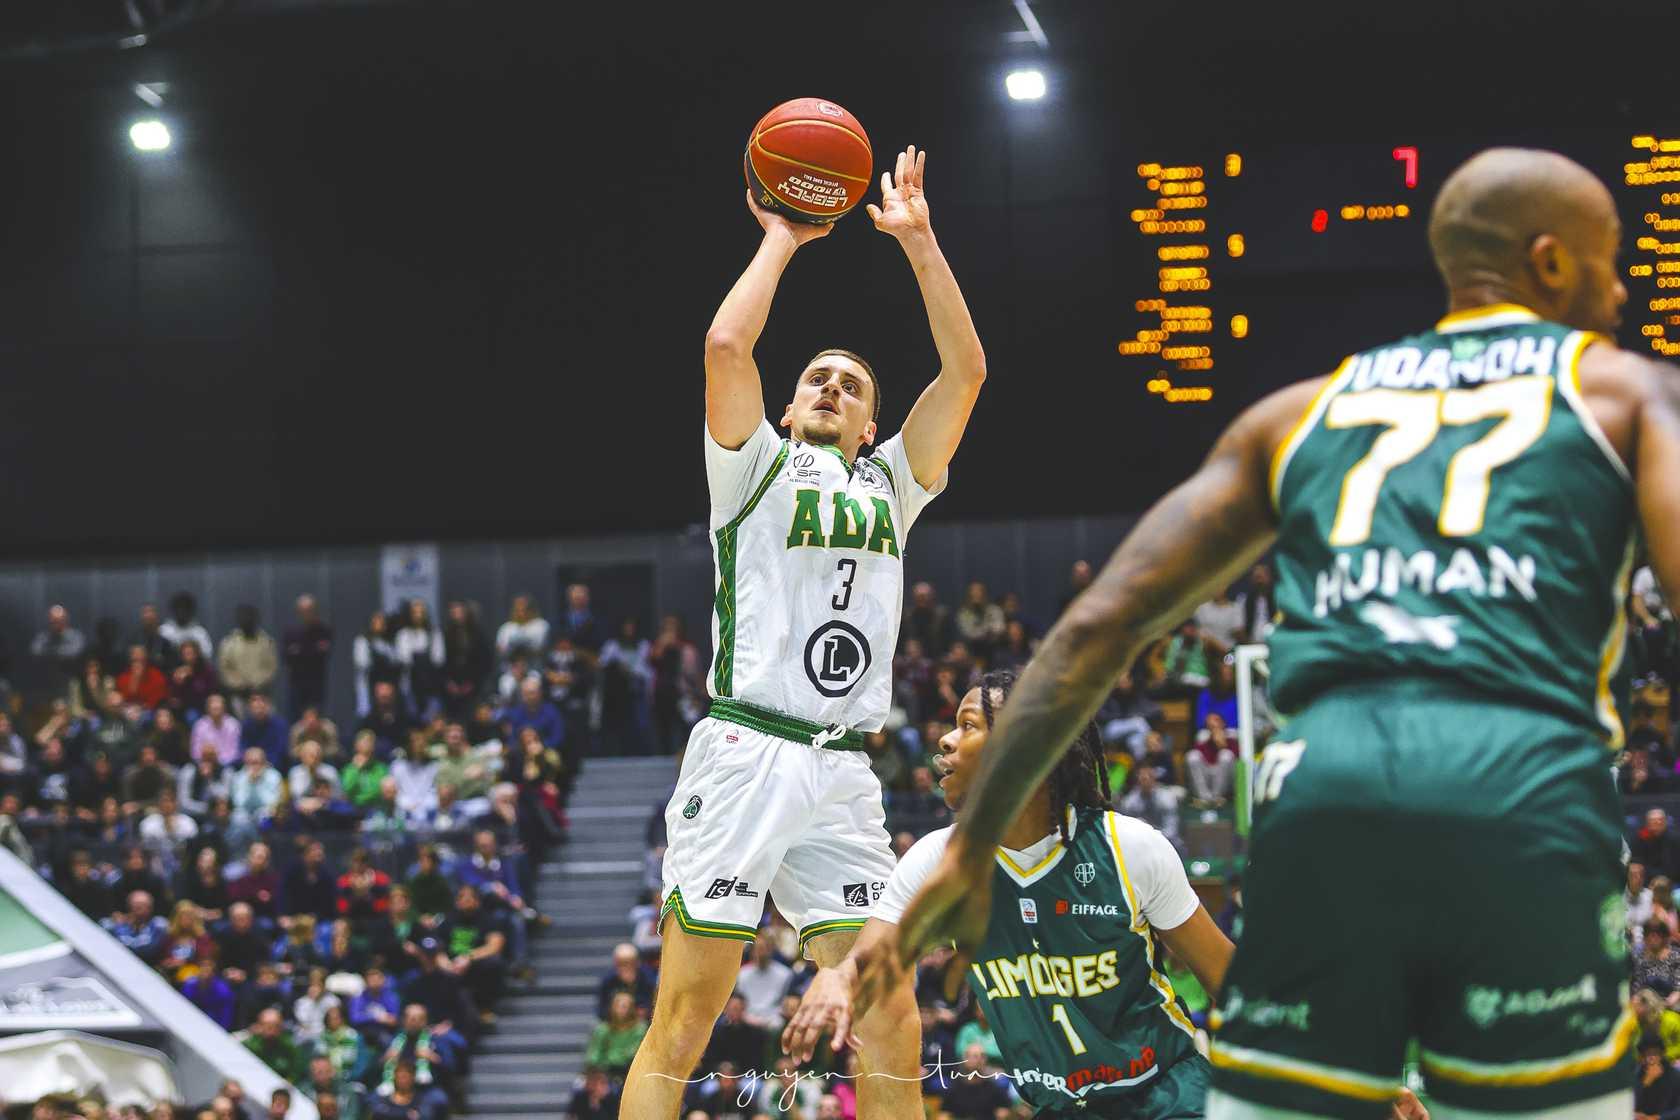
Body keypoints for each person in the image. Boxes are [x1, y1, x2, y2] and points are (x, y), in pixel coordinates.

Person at [883, 148, 1677, 1120]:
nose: (1626, 285)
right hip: (1518, 800)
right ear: (1551, 263)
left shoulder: (1300, 412)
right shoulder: (1626, 391)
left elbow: (1098, 626)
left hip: (1324, 813)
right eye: (1613, 261)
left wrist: (970, 847)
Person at [623, 143, 987, 1119]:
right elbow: (724, 350)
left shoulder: (893, 485)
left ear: (872, 425)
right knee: (687, 1019)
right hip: (746, 749)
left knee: (889, 1003)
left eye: (852, 385)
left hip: (839, 768)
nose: (831, 386)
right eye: (817, 379)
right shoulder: (753, 472)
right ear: (787, 407)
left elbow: (967, 370)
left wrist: (920, 243)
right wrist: (782, 237)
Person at [786, 669, 1232, 1119]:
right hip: (1061, 1109)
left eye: (968, 725)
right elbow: (875, 950)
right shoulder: (939, 860)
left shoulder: (1128, 849)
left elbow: (1230, 983)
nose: (945, 741)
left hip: (1170, 1096)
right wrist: (838, 976)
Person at [283, 595, 335, 718]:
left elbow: (323, 654)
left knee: (316, 718)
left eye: (309, 610)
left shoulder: (324, 630)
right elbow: (286, 657)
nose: (306, 614)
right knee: (295, 718)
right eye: (303, 611)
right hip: (296, 683)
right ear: (298, 612)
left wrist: (300, 652)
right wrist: (311, 651)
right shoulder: (291, 632)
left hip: (316, 683)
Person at [218, 605, 279, 711]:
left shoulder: (266, 642)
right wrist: (239, 684)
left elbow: (271, 667)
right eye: (243, 618)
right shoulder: (229, 643)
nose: (246, 621)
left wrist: (257, 685)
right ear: (238, 620)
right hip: (238, 695)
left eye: (250, 618)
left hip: (262, 695)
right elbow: (225, 668)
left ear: (256, 619)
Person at [586, 990, 649, 1078]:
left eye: (625, 1007)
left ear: (632, 1008)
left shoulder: (639, 1029)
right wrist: (598, 1065)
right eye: (618, 1006)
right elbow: (595, 1054)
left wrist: (612, 1059)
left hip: (630, 1071)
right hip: (606, 1072)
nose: (621, 1010)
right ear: (613, 1007)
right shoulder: (603, 1029)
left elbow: (633, 1052)